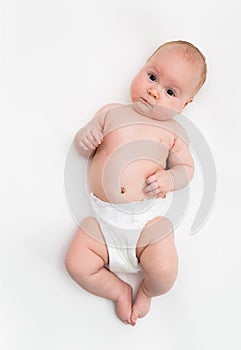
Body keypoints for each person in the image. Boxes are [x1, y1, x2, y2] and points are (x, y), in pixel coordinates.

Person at [65, 40, 207, 326]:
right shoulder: (111, 113)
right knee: (76, 264)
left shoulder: (174, 132)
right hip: (102, 224)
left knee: (165, 273)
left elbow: (186, 169)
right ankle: (118, 291)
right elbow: (83, 148)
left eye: (170, 92)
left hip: (146, 225)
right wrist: (85, 137)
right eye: (152, 77)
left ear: (185, 104)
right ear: (141, 69)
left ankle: (147, 291)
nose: (154, 91)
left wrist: (169, 178)